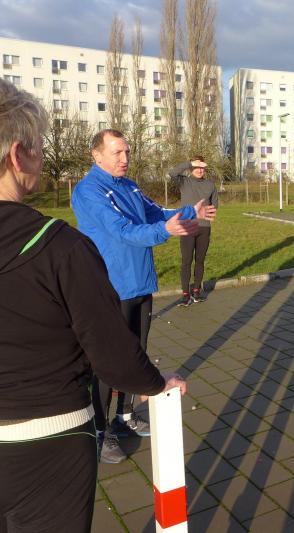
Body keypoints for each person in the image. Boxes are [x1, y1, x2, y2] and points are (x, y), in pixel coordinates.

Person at [0, 70, 186, 533]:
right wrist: (157, 383)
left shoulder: (120, 194)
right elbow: (113, 355)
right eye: (38, 146)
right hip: (46, 447)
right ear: (16, 155)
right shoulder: (59, 247)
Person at [73, 129, 214, 464]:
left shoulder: (130, 185)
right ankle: (99, 431)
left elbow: (155, 212)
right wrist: (165, 231)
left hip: (140, 284)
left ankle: (124, 416)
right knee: (108, 363)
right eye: (117, 152)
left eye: (127, 152)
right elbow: (122, 231)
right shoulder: (89, 191)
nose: (125, 159)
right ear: (97, 155)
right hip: (112, 287)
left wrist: (189, 212)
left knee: (136, 355)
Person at [167, 156, 218, 306]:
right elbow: (172, 173)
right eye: (196, 167)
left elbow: (214, 204)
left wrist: (207, 213)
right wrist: (190, 163)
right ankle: (185, 295)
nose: (200, 170)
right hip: (187, 227)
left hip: (204, 228)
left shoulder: (210, 185)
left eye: (202, 167)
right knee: (186, 261)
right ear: (191, 168)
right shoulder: (184, 182)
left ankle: (196, 291)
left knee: (200, 261)